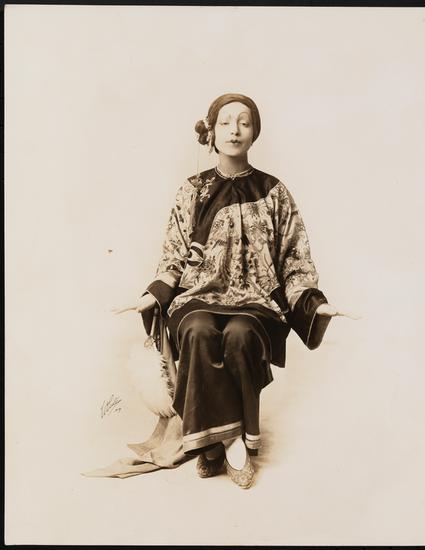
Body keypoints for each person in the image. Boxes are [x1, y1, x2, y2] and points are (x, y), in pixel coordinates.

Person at [114, 93, 343, 489]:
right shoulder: (193, 190)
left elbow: (294, 258)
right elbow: (173, 254)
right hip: (197, 296)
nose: (234, 130)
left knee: (240, 334)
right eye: (225, 122)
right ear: (211, 132)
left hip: (256, 302)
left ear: (255, 132)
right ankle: (227, 442)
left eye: (244, 122)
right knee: (198, 330)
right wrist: (154, 294)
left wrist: (312, 303)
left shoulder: (274, 192)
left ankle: (219, 445)